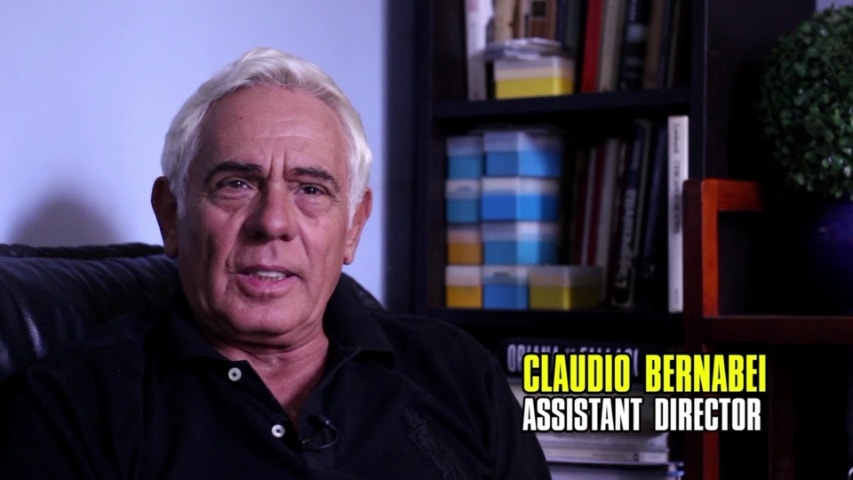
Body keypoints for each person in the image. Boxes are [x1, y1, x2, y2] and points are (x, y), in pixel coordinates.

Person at [0, 47, 550, 479]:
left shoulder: (458, 373)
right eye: (237, 184)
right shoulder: (71, 408)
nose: (274, 222)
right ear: (171, 215)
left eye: (311, 189)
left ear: (353, 226)